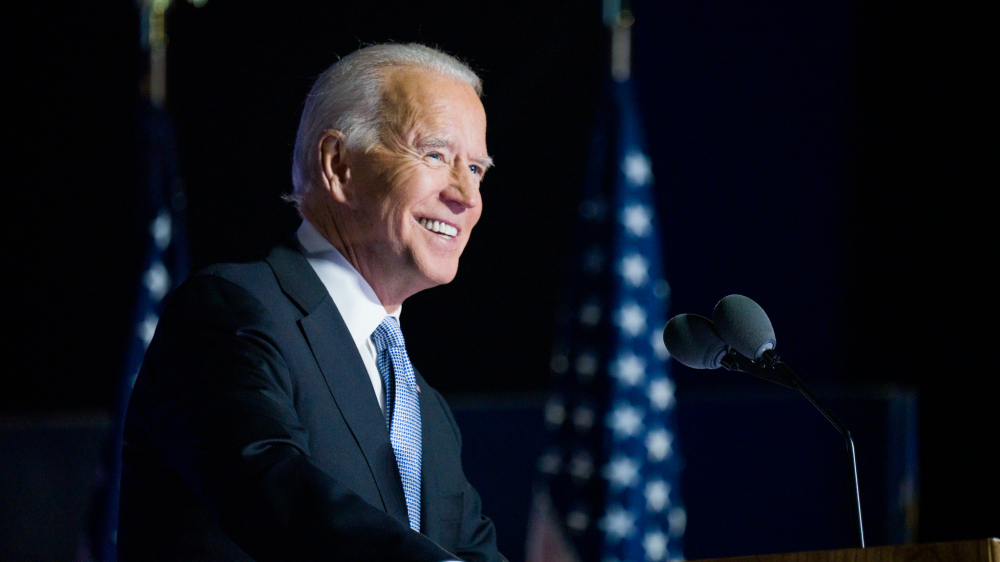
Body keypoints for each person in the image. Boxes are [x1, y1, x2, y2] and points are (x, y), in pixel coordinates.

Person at [118, 43, 505, 562]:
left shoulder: (426, 412)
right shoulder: (231, 313)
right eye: (435, 155)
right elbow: (278, 497)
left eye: (476, 169)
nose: (466, 194)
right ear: (338, 164)